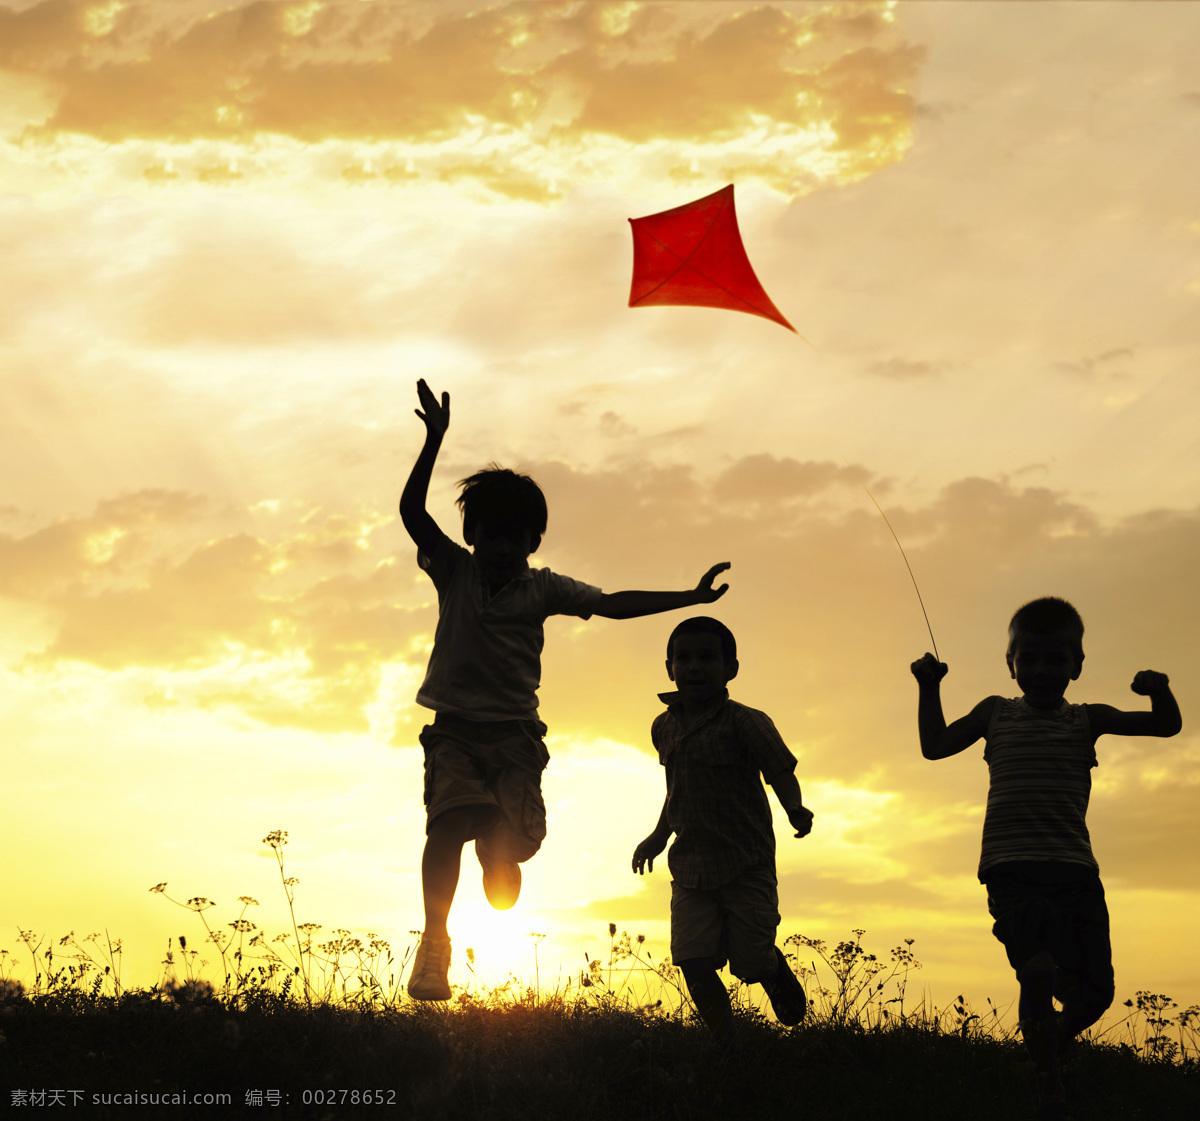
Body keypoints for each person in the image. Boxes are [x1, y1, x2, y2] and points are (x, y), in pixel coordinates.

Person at [400, 379, 733, 1001]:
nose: (500, 547)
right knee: (445, 824)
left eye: (514, 537)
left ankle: (499, 852)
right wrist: (433, 442)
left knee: (516, 845)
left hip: (516, 740)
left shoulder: (544, 589)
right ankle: (435, 943)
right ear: (473, 536)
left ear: (533, 542)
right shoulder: (455, 570)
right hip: (453, 731)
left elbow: (612, 604)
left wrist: (689, 596)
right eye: (490, 534)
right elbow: (414, 516)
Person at [911, 596, 1181, 1113]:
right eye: (1027, 660)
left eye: (1056, 660)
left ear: (1078, 665)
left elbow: (1165, 726)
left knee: (1095, 994)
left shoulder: (1087, 719)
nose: (1041, 671)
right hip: (1011, 871)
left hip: (1075, 872)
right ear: (1009, 664)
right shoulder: (995, 713)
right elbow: (936, 745)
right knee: (1034, 971)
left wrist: (1160, 690)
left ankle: (1050, 1047)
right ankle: (1048, 1080)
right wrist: (929, 687)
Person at [632, 616, 814, 1050]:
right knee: (693, 959)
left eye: (708, 658)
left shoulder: (745, 722)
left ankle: (771, 968)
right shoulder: (665, 726)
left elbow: (780, 770)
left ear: (731, 668)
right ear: (669, 667)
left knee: (749, 960)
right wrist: (659, 835)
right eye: (684, 658)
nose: (695, 667)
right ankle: (728, 1047)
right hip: (691, 866)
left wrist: (794, 808)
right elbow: (676, 789)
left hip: (744, 863)